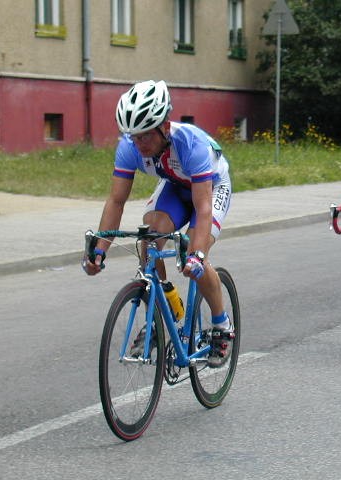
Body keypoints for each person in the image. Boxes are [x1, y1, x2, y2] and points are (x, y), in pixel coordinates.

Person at [82, 80, 233, 366]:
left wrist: (197, 255)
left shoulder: (191, 145)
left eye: (145, 137)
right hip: (176, 187)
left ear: (164, 126)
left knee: (194, 261)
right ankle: (163, 309)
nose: (139, 144)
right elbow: (116, 201)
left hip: (211, 189)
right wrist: (99, 250)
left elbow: (202, 208)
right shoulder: (129, 147)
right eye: (133, 136)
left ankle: (222, 326)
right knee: (149, 239)